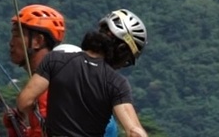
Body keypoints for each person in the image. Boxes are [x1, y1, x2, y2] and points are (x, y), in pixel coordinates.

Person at [17, 9, 150, 137]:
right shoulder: (116, 83)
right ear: (121, 49)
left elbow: (25, 101)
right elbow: (135, 132)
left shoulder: (56, 59)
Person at [4, 4, 68, 137]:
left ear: (38, 41)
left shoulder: (47, 89)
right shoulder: (55, 79)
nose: (11, 42)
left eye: (17, 35)